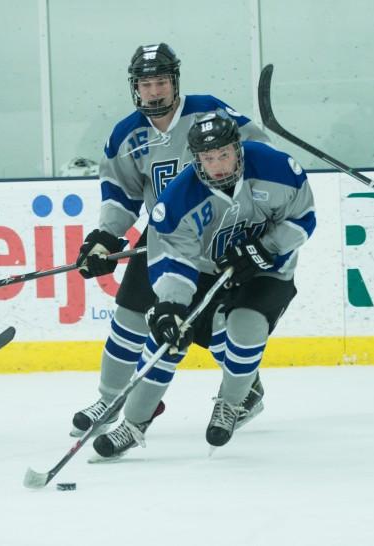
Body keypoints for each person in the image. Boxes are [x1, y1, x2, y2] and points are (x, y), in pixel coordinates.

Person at [70, 43, 271, 438]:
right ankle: (110, 398)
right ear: (135, 88)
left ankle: (246, 391)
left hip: (220, 234)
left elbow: (260, 155)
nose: (155, 91)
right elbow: (121, 195)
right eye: (147, 84)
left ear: (175, 82)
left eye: (162, 81)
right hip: (165, 238)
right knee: (129, 316)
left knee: (213, 327)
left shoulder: (208, 111)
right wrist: (105, 238)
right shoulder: (126, 135)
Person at [92, 109, 315, 459]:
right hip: (209, 267)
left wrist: (264, 247)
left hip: (269, 267)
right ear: (195, 159)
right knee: (168, 336)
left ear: (238, 149)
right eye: (209, 158)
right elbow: (174, 261)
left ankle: (232, 404)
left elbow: (305, 219)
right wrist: (171, 306)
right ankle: (133, 425)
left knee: (247, 326)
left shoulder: (277, 169)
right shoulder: (177, 201)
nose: (219, 166)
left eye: (224, 154)